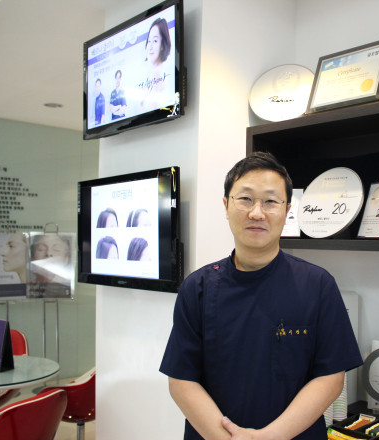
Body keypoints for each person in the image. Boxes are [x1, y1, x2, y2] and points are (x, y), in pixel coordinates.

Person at [160, 152, 362, 440]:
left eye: (270, 201)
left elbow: (330, 378)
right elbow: (181, 380)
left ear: (287, 210)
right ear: (226, 206)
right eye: (245, 199)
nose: (257, 213)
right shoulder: (197, 288)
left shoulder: (318, 285)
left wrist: (269, 437)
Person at [139, 18, 173, 110]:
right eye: (149, 41)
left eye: (155, 41)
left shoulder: (158, 74)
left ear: (162, 45)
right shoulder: (151, 74)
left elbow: (151, 108)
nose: (150, 47)